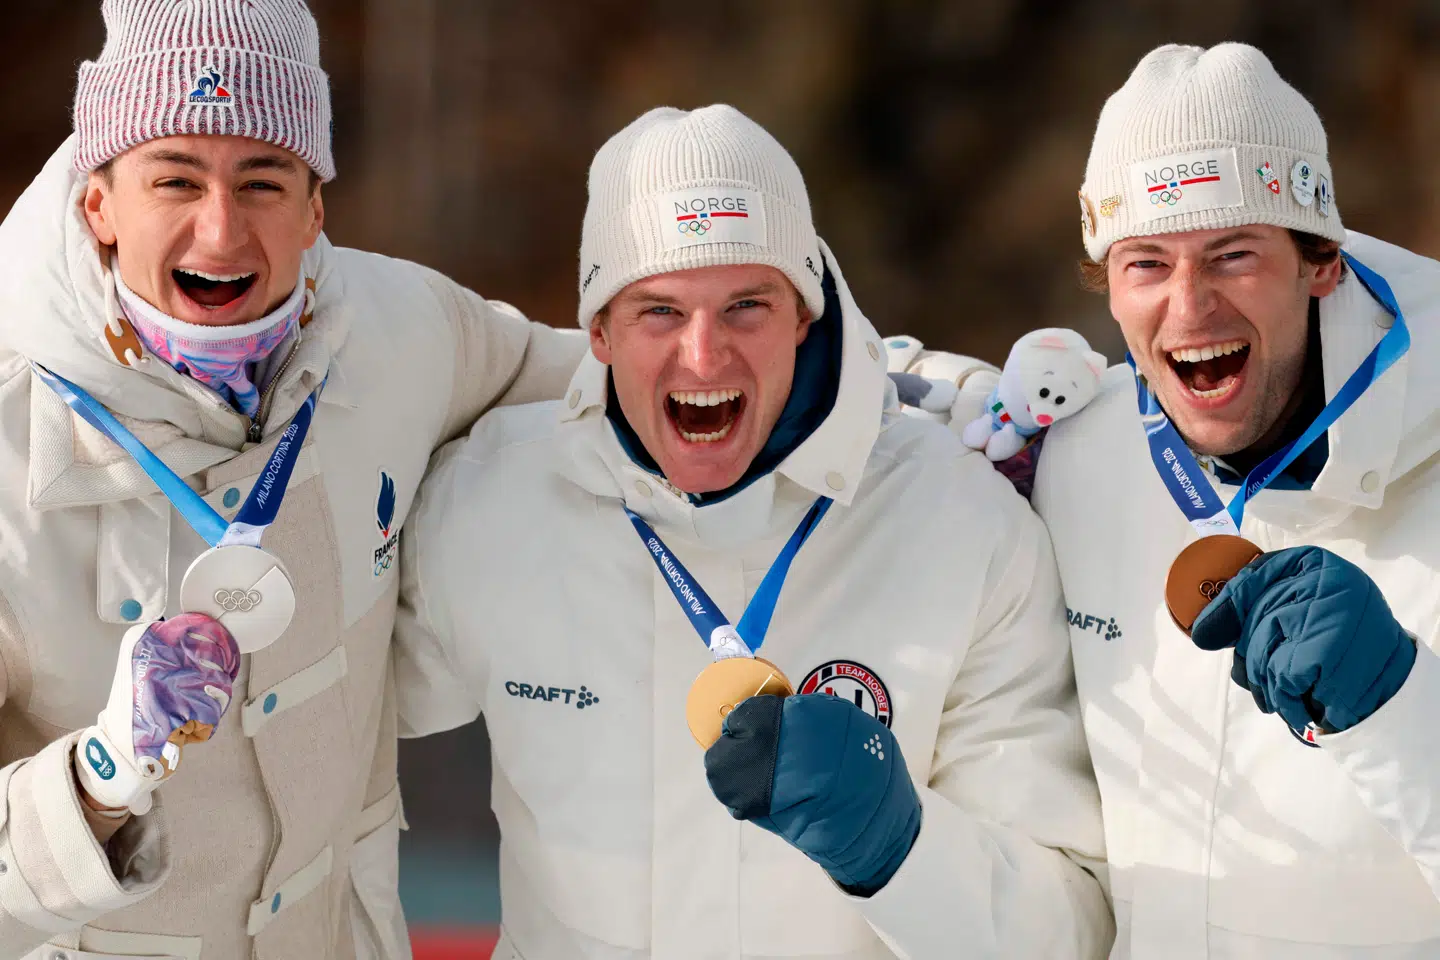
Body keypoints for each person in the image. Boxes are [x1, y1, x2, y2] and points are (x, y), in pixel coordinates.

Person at [393, 104, 1113, 960]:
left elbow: (1072, 928)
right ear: (599, 331)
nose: (704, 356)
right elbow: (315, 731)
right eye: (660, 311)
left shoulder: (957, 518)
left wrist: (898, 850)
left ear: (804, 315)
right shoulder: (489, 500)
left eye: (746, 306)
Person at [0, 1, 584, 957]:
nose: (221, 229)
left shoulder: (398, 329)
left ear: (316, 208)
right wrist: (99, 778)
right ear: (98, 201)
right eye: (175, 179)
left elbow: (610, 390)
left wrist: (827, 380)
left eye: (262, 181)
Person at [895, 42, 1440, 959]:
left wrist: (1398, 708)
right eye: (1146, 262)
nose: (1189, 308)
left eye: (1233, 255)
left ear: (1320, 262)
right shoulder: (1073, 458)